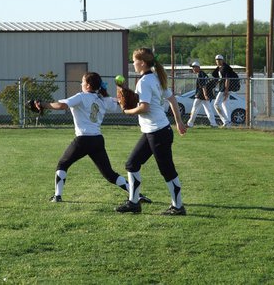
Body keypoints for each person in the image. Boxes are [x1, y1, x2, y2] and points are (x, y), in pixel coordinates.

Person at [35, 72, 151, 204]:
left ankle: (57, 196)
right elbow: (119, 102)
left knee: (62, 164)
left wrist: (43, 104)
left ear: (88, 85)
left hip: (83, 140)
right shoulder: (102, 99)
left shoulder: (81, 97)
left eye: (83, 82)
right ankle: (137, 194)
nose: (81, 84)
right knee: (109, 174)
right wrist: (123, 91)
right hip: (97, 140)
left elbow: (62, 105)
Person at [115, 48, 187, 216]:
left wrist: (127, 111)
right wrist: (178, 122)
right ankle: (134, 203)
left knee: (167, 170)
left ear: (142, 63)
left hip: (158, 132)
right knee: (132, 164)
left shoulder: (145, 81)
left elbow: (144, 107)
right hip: (153, 131)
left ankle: (178, 206)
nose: (133, 64)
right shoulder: (155, 77)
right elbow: (172, 99)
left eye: (134, 61)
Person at [187, 61, 217, 128]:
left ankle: (190, 124)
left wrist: (205, 95)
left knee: (194, 109)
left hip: (200, 95)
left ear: (198, 67)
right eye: (193, 67)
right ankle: (214, 124)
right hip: (204, 94)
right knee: (208, 109)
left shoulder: (200, 74)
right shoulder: (203, 73)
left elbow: (203, 86)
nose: (193, 69)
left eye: (194, 67)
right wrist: (206, 95)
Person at [212, 54, 235, 127]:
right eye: (217, 60)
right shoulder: (219, 68)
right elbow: (218, 77)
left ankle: (226, 121)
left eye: (219, 59)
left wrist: (226, 90)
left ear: (222, 60)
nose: (218, 61)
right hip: (222, 88)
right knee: (224, 104)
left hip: (225, 88)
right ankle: (228, 122)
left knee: (216, 104)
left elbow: (227, 79)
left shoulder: (225, 67)